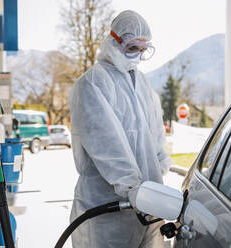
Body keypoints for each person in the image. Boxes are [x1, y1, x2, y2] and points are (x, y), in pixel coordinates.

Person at [68, 10, 171, 248]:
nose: (138, 56)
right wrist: (131, 187)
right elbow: (105, 142)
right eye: (132, 48)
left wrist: (160, 160)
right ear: (114, 41)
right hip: (106, 210)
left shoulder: (142, 83)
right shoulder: (93, 82)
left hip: (148, 204)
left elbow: (154, 133)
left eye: (143, 50)